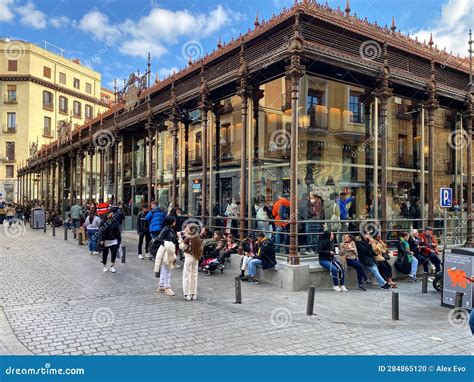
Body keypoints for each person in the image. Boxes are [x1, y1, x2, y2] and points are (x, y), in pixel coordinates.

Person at [154, 216, 178, 296]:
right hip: (166, 251)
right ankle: (167, 287)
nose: (175, 222)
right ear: (171, 222)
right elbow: (158, 239)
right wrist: (166, 243)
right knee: (167, 269)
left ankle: (161, 286)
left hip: (168, 250)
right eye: (174, 221)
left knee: (165, 269)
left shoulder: (169, 229)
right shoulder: (166, 229)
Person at [179, 224, 203, 301]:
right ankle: (194, 293)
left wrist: (180, 240)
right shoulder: (198, 237)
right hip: (196, 257)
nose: (186, 228)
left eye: (187, 228)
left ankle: (187, 293)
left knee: (187, 275)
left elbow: (182, 247)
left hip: (189, 256)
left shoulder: (188, 238)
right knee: (194, 275)